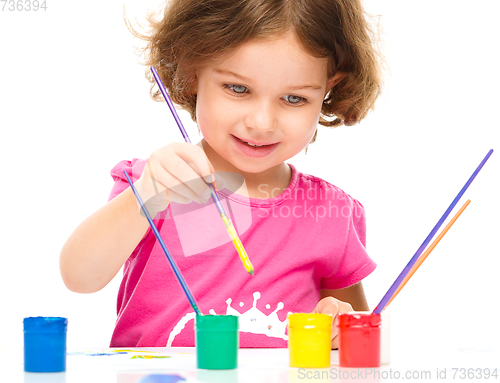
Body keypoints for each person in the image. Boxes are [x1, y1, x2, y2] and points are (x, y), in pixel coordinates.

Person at [60, 0, 383, 349]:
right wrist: (149, 192)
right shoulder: (156, 184)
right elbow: (79, 277)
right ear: (192, 70)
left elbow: (360, 342)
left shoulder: (329, 212)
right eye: (238, 89)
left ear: (329, 88)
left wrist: (339, 326)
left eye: (293, 98)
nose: (261, 122)